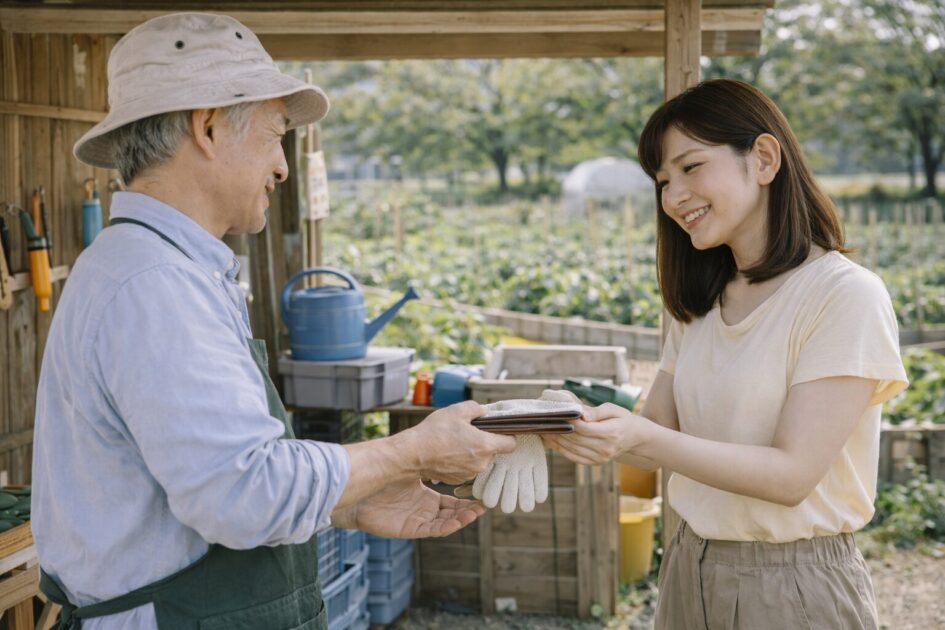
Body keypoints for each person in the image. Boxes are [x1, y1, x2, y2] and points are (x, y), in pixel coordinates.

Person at [31, 12, 516, 630]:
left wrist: (349, 505)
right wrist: (412, 450)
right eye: (274, 134)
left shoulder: (154, 266)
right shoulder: (155, 283)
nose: (282, 166)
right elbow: (243, 493)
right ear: (207, 127)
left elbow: (193, 485)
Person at [544, 79, 908, 630]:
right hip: (689, 565)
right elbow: (652, 439)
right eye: (663, 181)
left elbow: (791, 476)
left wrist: (642, 436)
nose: (673, 196)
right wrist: (567, 422)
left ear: (763, 159)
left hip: (793, 586)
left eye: (691, 168)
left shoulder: (844, 295)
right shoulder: (701, 303)